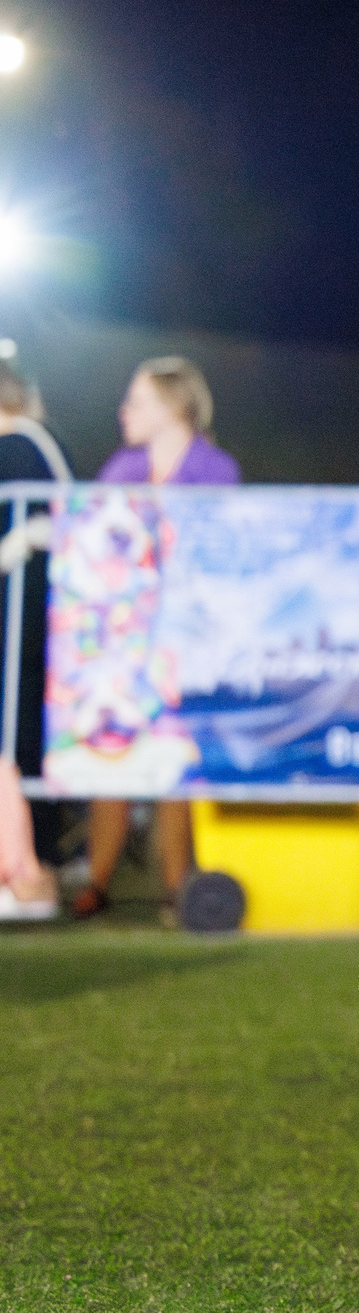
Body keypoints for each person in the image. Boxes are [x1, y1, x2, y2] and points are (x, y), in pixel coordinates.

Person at [76, 357, 240, 921]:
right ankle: (95, 882)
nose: (125, 411)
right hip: (122, 639)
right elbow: (90, 535)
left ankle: (179, 888)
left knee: (175, 762)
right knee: (111, 752)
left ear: (175, 409)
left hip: (188, 640)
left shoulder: (215, 470)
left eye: (138, 401)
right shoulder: (123, 467)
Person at [0, 359, 71, 917]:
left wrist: (17, 543)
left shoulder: (23, 446)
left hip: (24, 627)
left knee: (19, 745)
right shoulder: (34, 444)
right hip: (24, 626)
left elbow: (52, 523)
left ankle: (33, 878)